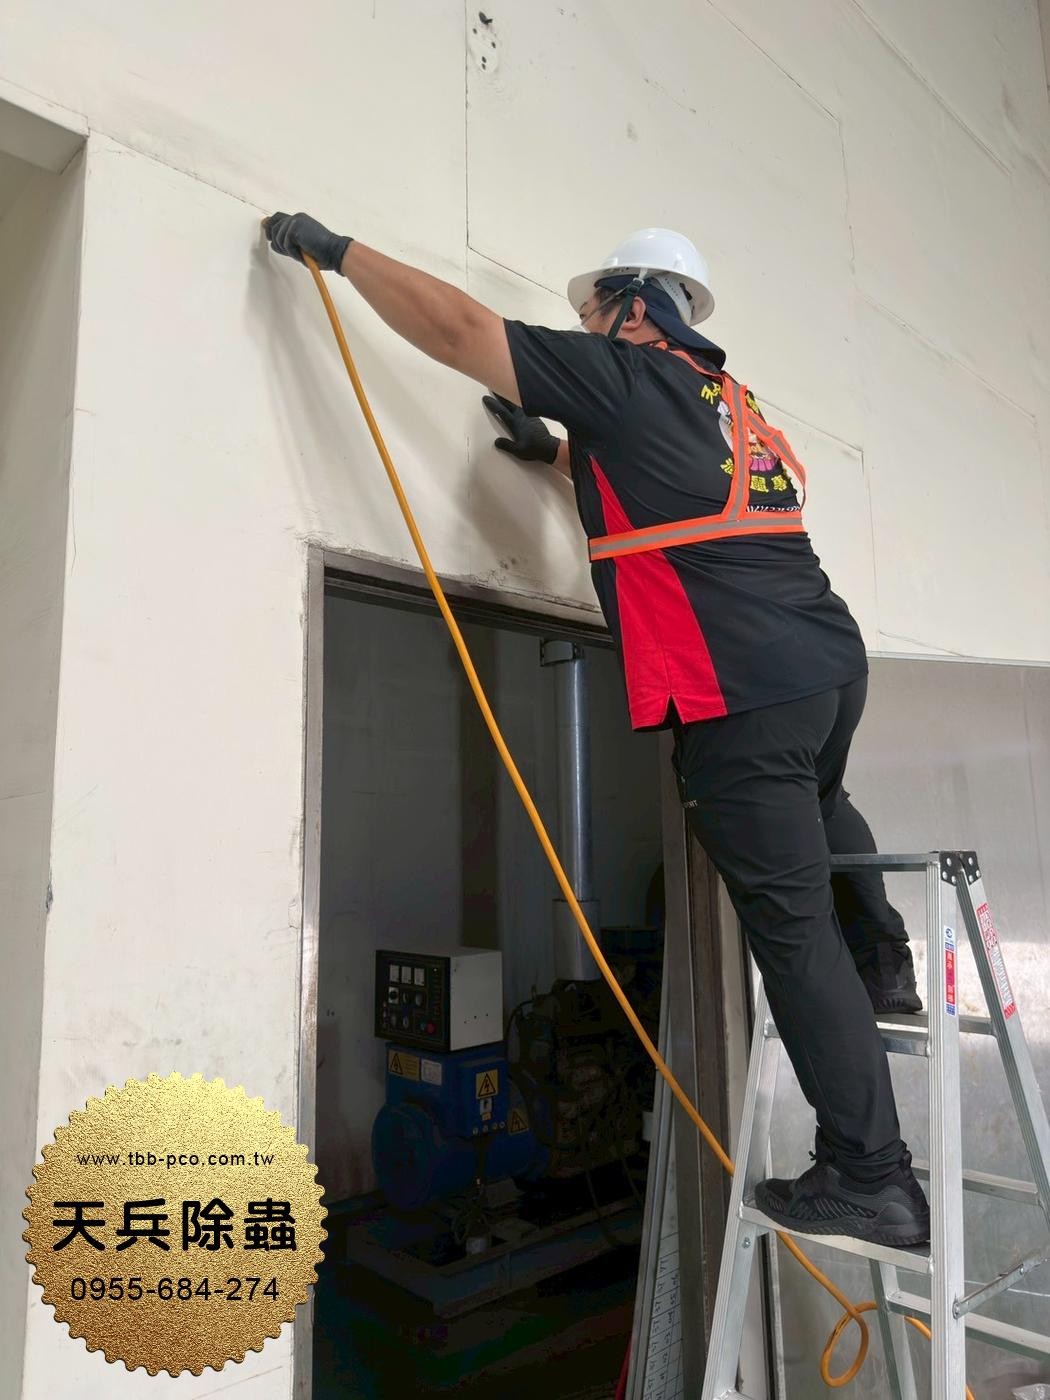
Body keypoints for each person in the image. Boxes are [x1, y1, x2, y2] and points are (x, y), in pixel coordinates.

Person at [263, 212, 930, 1246]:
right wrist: (557, 458)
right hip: (826, 668)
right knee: (825, 800)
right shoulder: (729, 403)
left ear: (638, 306)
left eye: (592, 308)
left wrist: (336, 251)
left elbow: (459, 328)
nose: (582, 325)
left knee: (793, 934)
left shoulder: (626, 374)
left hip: (740, 691)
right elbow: (663, 482)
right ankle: (886, 956)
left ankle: (870, 1171)